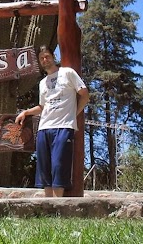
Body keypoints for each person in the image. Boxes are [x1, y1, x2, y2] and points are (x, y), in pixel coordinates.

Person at [15, 45, 89, 197]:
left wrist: (74, 113)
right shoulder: (43, 83)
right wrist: (26, 112)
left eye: (47, 56)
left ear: (53, 56)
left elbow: (84, 95)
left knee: (59, 166)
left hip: (63, 127)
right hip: (44, 128)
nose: (45, 60)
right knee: (44, 169)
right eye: (42, 58)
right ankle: (48, 207)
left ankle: (57, 206)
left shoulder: (67, 73)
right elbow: (43, 106)